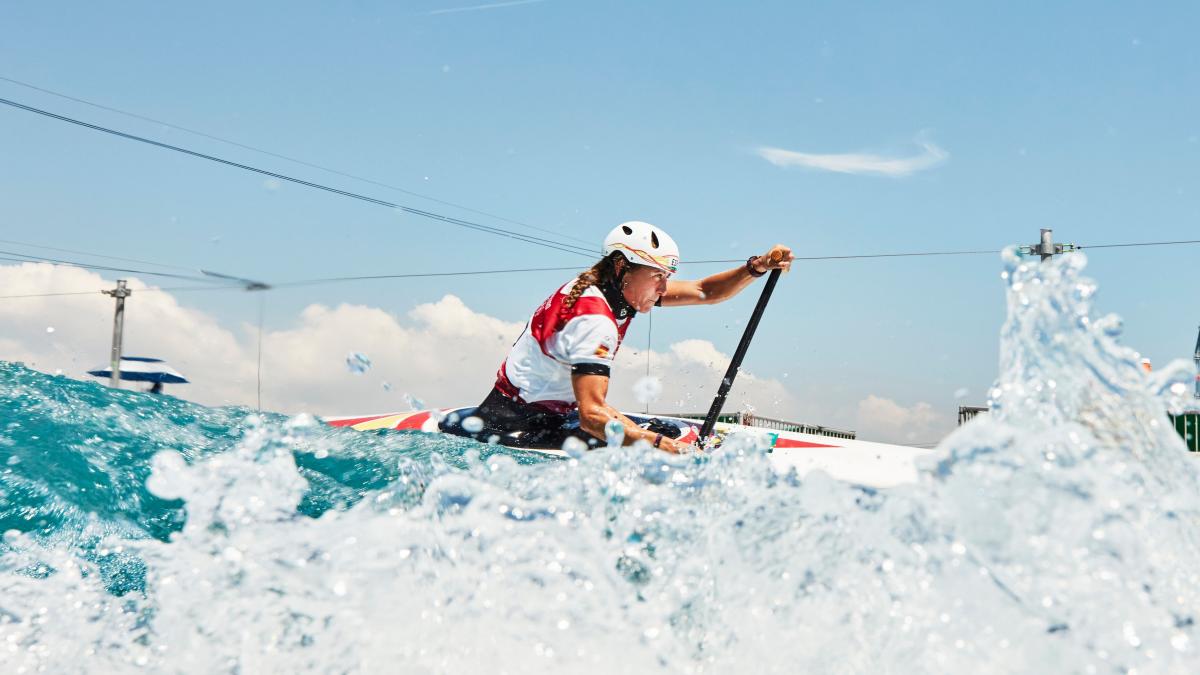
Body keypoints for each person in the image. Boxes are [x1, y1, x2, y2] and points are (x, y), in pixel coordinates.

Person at [463, 221, 793, 454]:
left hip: (543, 415)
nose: (664, 288)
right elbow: (593, 417)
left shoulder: (613, 291)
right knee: (663, 440)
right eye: (658, 278)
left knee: (665, 433)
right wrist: (664, 448)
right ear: (622, 268)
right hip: (513, 428)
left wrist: (758, 266)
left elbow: (704, 290)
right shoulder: (594, 319)